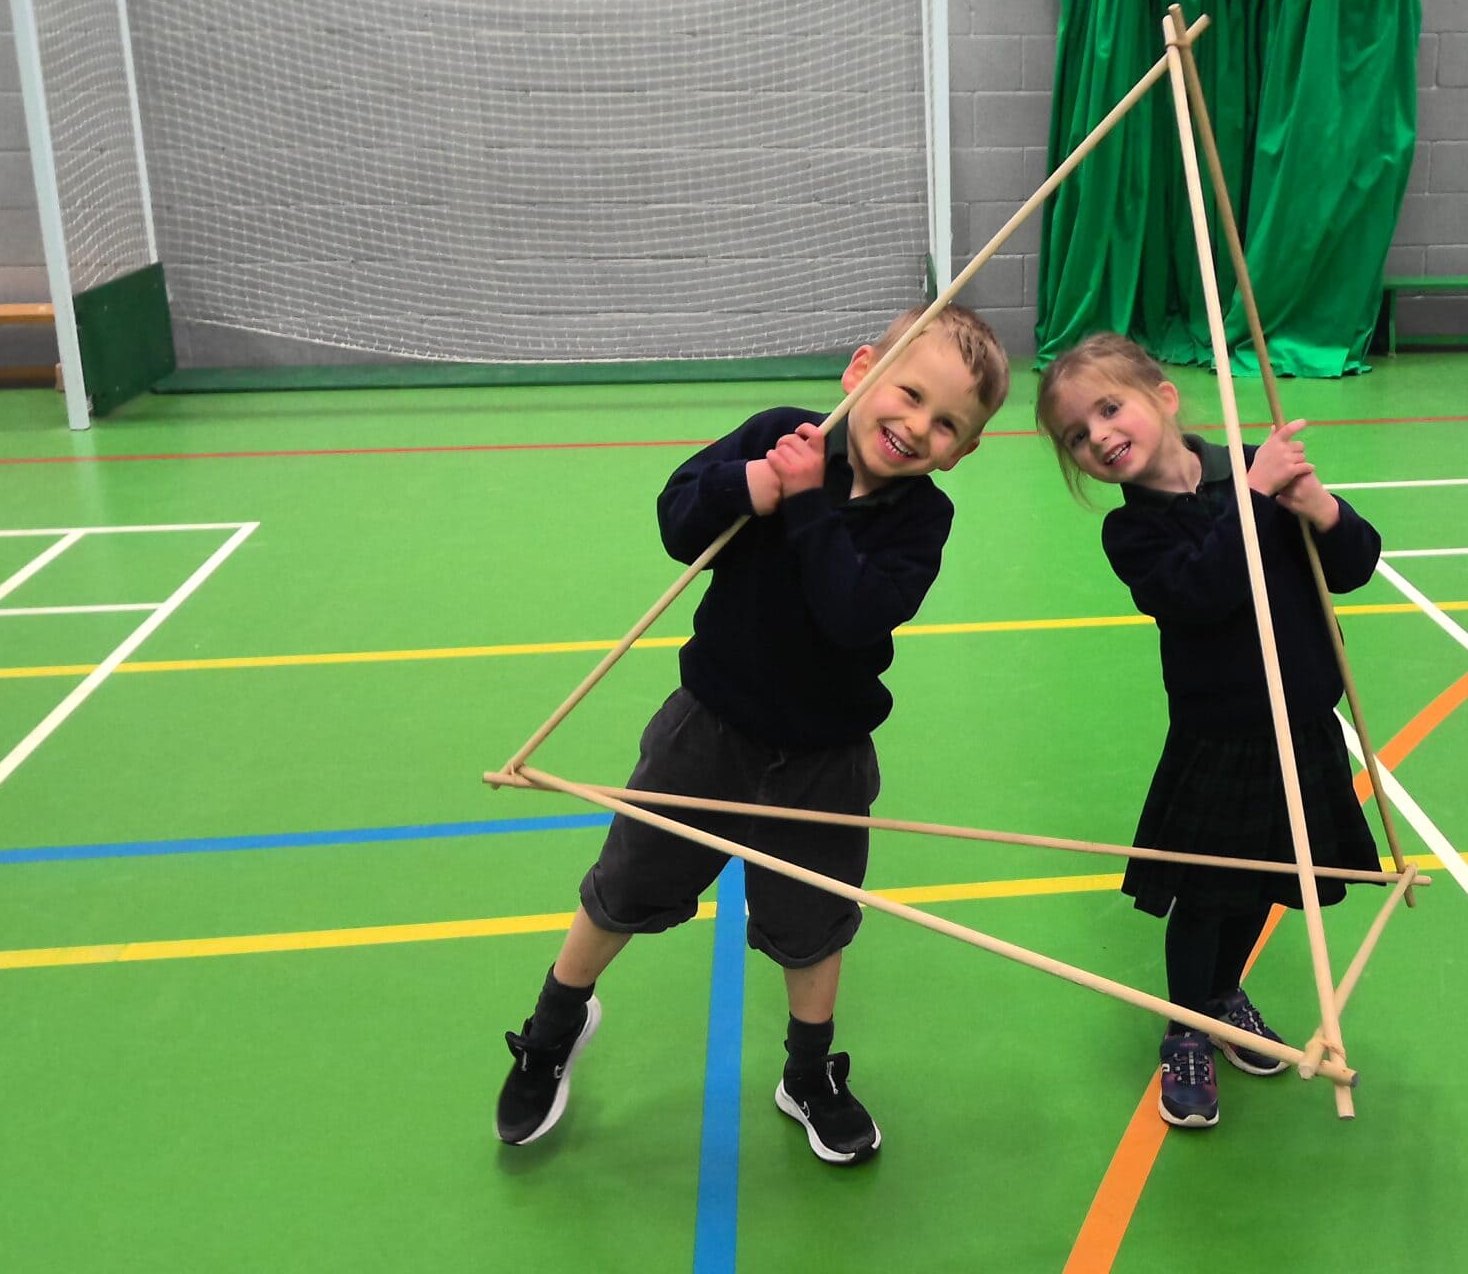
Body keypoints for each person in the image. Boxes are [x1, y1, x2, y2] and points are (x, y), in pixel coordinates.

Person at [494, 304, 1010, 1164]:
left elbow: (854, 615)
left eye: (947, 423)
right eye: (910, 393)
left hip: (825, 761)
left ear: (966, 449)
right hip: (707, 732)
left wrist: (803, 505)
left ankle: (808, 1074)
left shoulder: (922, 521)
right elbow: (677, 520)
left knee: (814, 926)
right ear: (862, 370)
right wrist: (747, 487)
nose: (917, 425)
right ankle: (553, 1029)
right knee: (624, 886)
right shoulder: (782, 433)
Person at [1034, 332, 1381, 1130]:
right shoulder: (1136, 532)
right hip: (1220, 736)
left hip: (1302, 725)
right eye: (1077, 437)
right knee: (1204, 894)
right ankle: (1188, 1028)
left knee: (1263, 882)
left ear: (1164, 397)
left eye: (1109, 408)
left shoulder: (1253, 468)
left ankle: (1224, 997)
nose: (1099, 438)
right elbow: (1202, 592)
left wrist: (1317, 507)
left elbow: (1355, 565)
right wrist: (1258, 500)